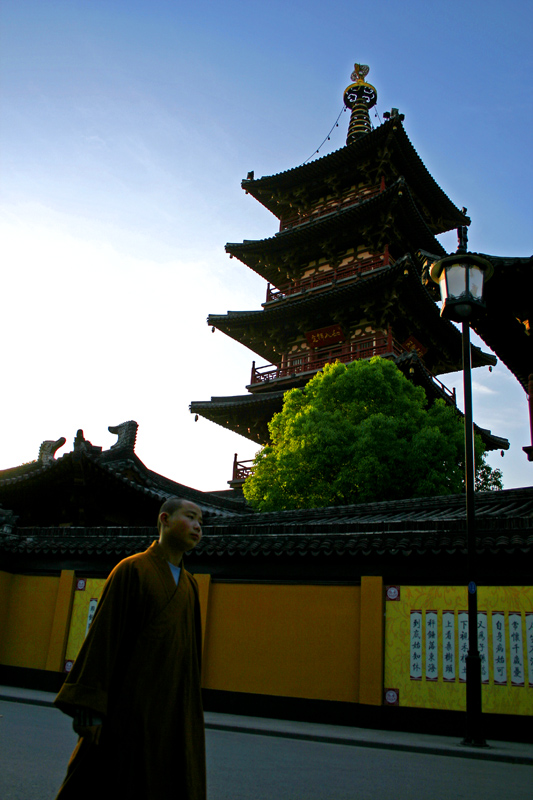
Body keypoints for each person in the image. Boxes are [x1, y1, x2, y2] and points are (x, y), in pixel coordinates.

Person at [54, 497, 206, 799]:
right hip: (127, 704)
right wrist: (90, 704)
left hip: (171, 709)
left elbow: (189, 655)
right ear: (164, 519)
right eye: (190, 518)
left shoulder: (190, 586)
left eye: (201, 522)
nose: (198, 527)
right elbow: (103, 637)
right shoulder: (132, 570)